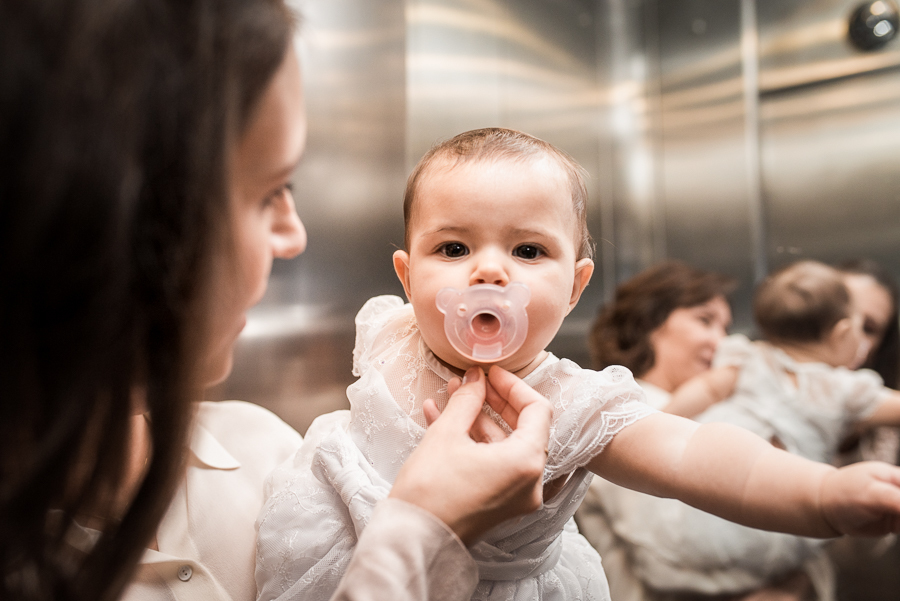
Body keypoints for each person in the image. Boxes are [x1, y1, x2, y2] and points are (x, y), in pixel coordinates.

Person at [0, 3, 555, 601]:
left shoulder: (270, 455)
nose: (295, 236)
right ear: (111, 217)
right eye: (269, 193)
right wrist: (422, 531)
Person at [255, 128, 900, 601]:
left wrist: (820, 493)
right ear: (407, 275)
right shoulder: (388, 330)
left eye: (529, 250)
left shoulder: (572, 400)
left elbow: (693, 455)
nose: (488, 269)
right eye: (453, 246)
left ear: (575, 286)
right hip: (346, 551)